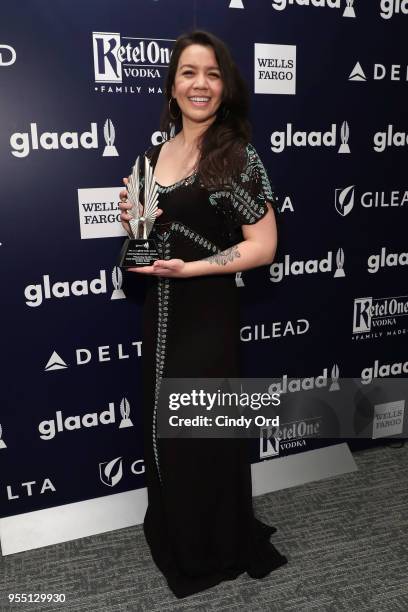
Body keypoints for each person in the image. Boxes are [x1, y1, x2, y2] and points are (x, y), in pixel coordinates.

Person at [118, 30, 287, 599]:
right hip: (158, 314)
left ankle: (212, 544)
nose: (200, 84)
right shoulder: (150, 156)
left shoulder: (234, 155)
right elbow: (146, 241)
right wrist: (133, 225)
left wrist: (191, 269)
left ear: (226, 87)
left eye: (212, 74)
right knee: (165, 429)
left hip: (206, 313)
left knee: (202, 431)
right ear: (172, 86)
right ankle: (177, 532)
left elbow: (263, 247)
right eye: (189, 72)